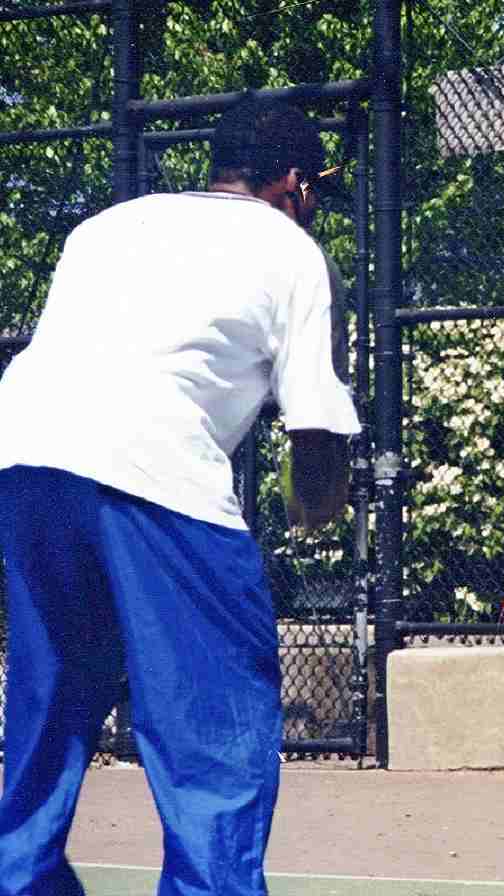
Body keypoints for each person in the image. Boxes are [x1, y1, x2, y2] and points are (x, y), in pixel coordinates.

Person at [0, 98, 360, 895]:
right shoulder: (290, 251)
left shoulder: (107, 225)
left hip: (23, 455)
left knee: (52, 692)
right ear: (293, 185)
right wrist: (314, 519)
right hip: (157, 467)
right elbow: (315, 428)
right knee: (214, 716)